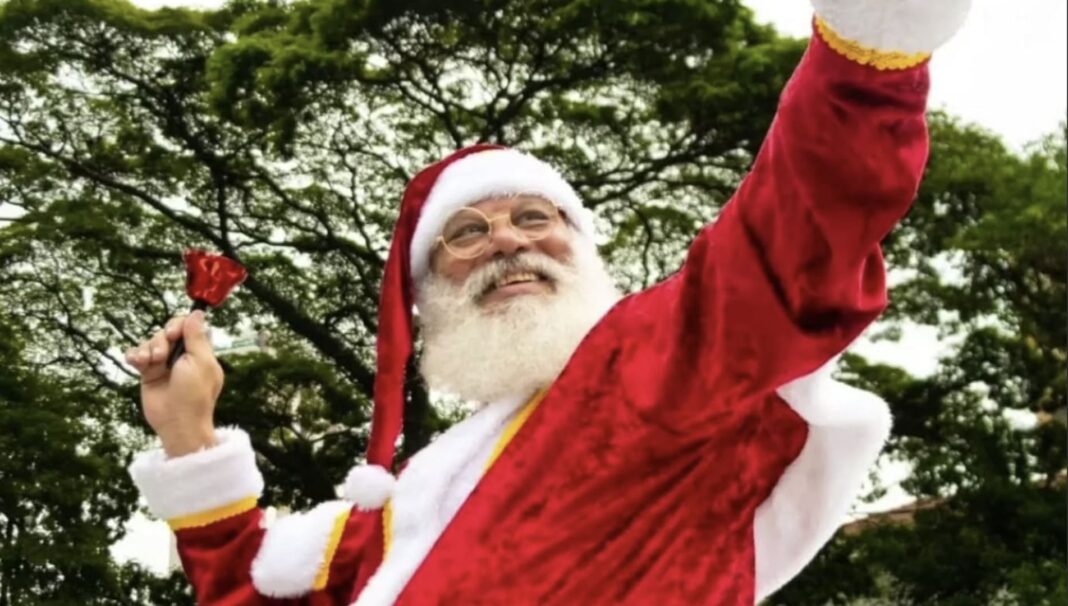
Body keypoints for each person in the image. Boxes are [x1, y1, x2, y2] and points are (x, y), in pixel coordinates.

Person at [124, 2, 973, 604]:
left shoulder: (654, 368)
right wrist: (187, 435)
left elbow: (794, 235)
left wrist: (869, 55)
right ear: (430, 297)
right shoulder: (411, 500)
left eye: (536, 217)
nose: (507, 240)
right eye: (466, 233)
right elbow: (251, 589)